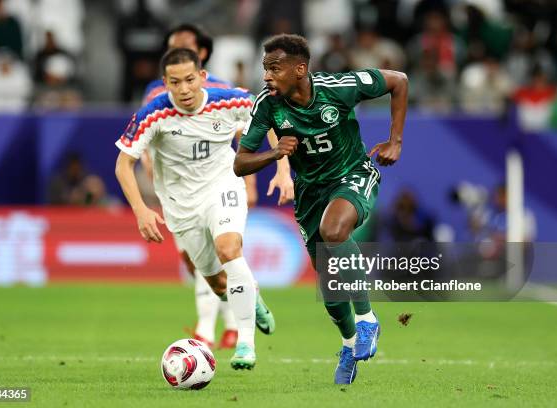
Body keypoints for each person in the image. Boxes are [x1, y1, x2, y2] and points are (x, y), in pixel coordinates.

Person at [234, 34, 408, 384]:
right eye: (265, 69)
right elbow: (240, 163)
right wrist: (274, 153)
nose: (267, 76)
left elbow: (399, 81)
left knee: (334, 232)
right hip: (310, 191)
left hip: (352, 173)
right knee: (328, 280)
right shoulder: (266, 105)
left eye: (275, 69)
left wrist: (395, 140)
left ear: (300, 69)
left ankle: (367, 319)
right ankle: (348, 345)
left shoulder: (338, 88)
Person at [115, 48, 280, 370]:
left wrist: (283, 169)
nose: (184, 89)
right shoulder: (153, 113)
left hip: (222, 186)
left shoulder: (230, 100)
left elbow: (268, 116)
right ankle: (252, 298)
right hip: (180, 205)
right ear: (166, 83)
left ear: (202, 77)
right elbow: (124, 164)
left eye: (190, 80)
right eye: (175, 82)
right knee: (218, 284)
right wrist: (141, 211)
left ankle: (246, 342)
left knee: (229, 248)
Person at [140, 23, 294, 350]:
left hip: (216, 186)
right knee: (199, 265)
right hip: (177, 196)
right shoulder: (155, 93)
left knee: (227, 251)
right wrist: (150, 175)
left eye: (184, 45)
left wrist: (250, 183)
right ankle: (234, 313)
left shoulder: (222, 91)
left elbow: (245, 138)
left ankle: (215, 330)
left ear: (203, 57)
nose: (176, 51)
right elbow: (143, 141)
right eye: (171, 45)